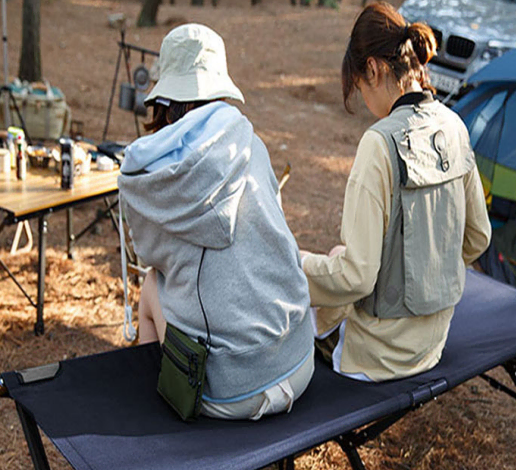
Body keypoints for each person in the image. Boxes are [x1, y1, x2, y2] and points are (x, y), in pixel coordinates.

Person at [118, 24, 314, 420]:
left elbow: (150, 258)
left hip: (227, 390)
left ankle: (148, 410)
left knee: (151, 285)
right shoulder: (250, 142)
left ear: (165, 99)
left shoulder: (149, 176)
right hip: (298, 360)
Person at [300, 2, 491, 382]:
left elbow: (357, 278)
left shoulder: (379, 143)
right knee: (342, 255)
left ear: (372, 69)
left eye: (358, 87)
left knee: (312, 272)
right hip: (431, 344)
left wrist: (298, 264)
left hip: (376, 358)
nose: (364, 102)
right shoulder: (454, 126)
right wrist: (425, 275)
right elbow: (478, 237)